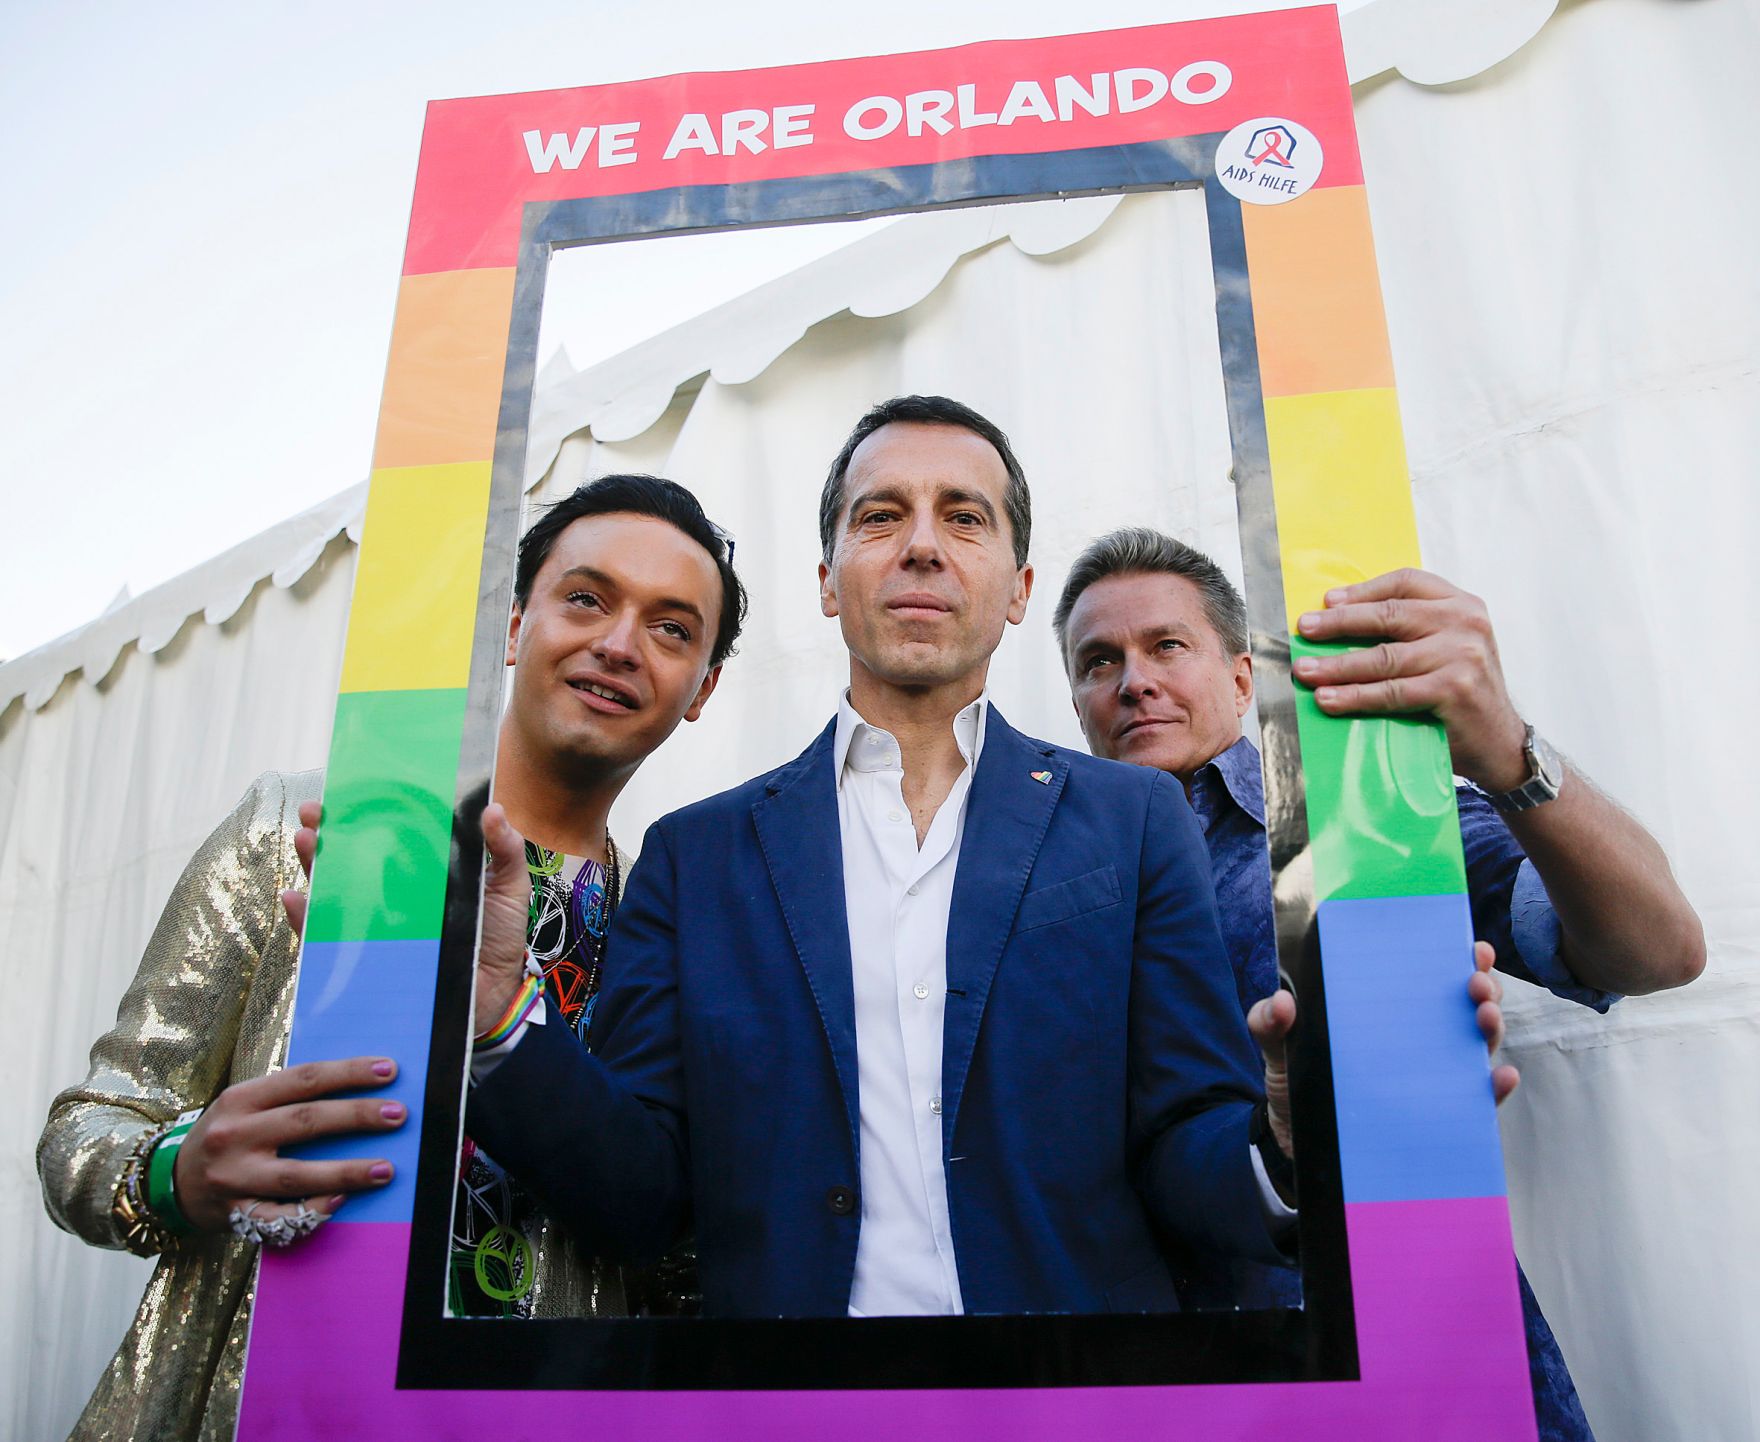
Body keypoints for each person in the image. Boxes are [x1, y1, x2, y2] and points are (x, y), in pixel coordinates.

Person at [467, 395, 1335, 1318]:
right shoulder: (697, 857)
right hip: (793, 1410)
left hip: (1078, 1405)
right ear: (829, 582)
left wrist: (1280, 1141)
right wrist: (496, 1020)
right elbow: (641, 1198)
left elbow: (1185, 1143)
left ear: (1018, 589)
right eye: (881, 516)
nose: (922, 545)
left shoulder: (1133, 819)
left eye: (964, 518)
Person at [37, 474, 745, 1441]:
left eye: (672, 628)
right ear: (512, 623)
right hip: (265, 1405)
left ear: (702, 688)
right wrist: (179, 1170)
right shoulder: (310, 828)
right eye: (586, 598)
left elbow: (674, 1251)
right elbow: (92, 1125)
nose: (619, 644)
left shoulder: (669, 925)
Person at [1051, 527, 1705, 1439]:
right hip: (1183, 1381)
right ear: (1076, 703)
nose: (1133, 680)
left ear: (1242, 678)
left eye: (1167, 646)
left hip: (1425, 1363)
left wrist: (1509, 751)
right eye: (1098, 661)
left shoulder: (1363, 817)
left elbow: (1659, 950)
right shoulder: (1049, 891)